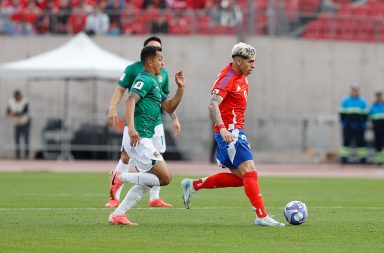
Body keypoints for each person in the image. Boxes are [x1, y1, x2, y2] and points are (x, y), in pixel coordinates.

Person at [181, 42, 285, 227]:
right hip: (230, 132)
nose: (253, 65)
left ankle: (194, 185)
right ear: (238, 60)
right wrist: (222, 128)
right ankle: (261, 216)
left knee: (240, 178)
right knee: (250, 171)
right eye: (250, 61)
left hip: (236, 131)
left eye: (254, 61)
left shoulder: (242, 75)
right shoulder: (227, 77)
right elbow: (213, 104)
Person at [108, 45, 185, 225]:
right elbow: (130, 101)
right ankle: (120, 177)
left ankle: (118, 215)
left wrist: (180, 88)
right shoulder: (144, 79)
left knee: (149, 181)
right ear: (150, 61)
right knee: (165, 178)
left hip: (144, 137)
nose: (163, 62)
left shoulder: (155, 81)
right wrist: (132, 128)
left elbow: (169, 107)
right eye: (160, 59)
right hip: (139, 137)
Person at [338, 83, 368, 164]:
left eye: (356, 90)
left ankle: (362, 159)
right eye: (353, 90)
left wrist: (363, 124)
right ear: (351, 90)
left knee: (361, 142)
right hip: (348, 126)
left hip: (359, 126)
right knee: (346, 142)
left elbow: (365, 114)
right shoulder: (345, 101)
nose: (355, 91)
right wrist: (344, 123)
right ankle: (344, 159)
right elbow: (341, 113)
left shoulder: (362, 101)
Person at [6, 90, 31, 159]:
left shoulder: (25, 101)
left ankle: (26, 156)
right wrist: (11, 114)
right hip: (16, 123)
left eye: (18, 96)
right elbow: (8, 111)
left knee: (26, 139)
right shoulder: (11, 101)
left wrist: (15, 114)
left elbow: (25, 112)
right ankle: (17, 156)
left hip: (25, 123)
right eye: (16, 97)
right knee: (17, 140)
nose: (17, 98)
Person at [369, 90, 384, 165]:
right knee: (378, 144)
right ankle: (379, 161)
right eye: (377, 95)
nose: (378, 97)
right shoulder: (373, 106)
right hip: (377, 128)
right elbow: (369, 116)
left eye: (380, 95)